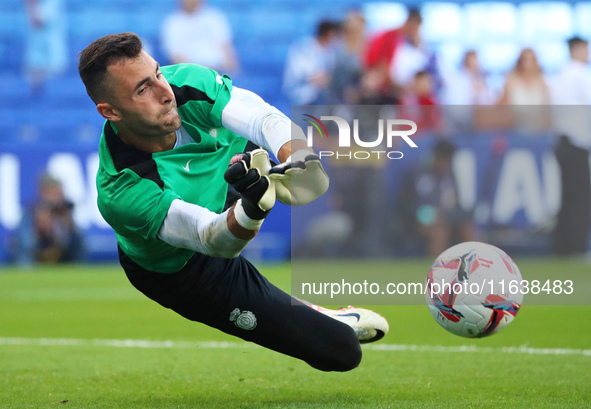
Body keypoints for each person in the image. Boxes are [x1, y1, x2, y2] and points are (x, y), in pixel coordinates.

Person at [77, 33, 388, 372]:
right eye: (142, 90)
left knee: (252, 151)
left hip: (230, 179)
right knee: (340, 351)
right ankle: (318, 314)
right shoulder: (124, 190)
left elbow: (262, 117)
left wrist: (300, 158)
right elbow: (211, 239)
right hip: (184, 267)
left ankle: (253, 172)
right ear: (110, 111)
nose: (164, 93)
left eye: (157, 74)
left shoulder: (186, 83)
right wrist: (253, 208)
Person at [396, 140, 475, 259]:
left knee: (466, 228)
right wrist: (429, 215)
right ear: (435, 156)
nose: (445, 164)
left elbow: (455, 202)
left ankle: (477, 266)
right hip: (418, 222)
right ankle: (436, 270)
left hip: (446, 219)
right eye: (443, 160)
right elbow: (405, 205)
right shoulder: (416, 173)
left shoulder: (449, 175)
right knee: (440, 232)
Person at [550, 37, 591, 256]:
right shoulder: (579, 75)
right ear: (578, 49)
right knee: (579, 198)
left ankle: (563, 247)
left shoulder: (561, 75)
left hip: (564, 140)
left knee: (567, 197)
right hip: (576, 142)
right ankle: (576, 247)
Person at [363, 7, 439, 104]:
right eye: (415, 27)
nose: (415, 31)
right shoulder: (389, 37)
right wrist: (394, 86)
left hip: (401, 90)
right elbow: (380, 64)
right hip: (385, 89)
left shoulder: (412, 42)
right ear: (410, 22)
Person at [12, 175, 83, 265]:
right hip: (37, 251)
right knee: (24, 246)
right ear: (42, 193)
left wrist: (67, 224)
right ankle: (25, 274)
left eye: (57, 194)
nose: (55, 198)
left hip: (62, 254)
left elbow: (76, 241)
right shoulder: (31, 212)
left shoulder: (64, 212)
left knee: (78, 244)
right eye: (51, 193)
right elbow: (25, 242)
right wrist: (40, 227)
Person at [160, 0, 238, 74]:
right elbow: (176, 57)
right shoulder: (173, 23)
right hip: (191, 76)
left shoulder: (214, 17)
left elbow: (226, 49)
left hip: (218, 72)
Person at [282, 20, 341, 105]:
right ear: (328, 34)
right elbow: (304, 74)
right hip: (300, 95)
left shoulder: (331, 51)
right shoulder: (304, 46)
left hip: (320, 97)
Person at [24, 0, 68, 93]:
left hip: (51, 58)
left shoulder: (52, 2)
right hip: (37, 56)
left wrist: (31, 3)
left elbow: (39, 20)